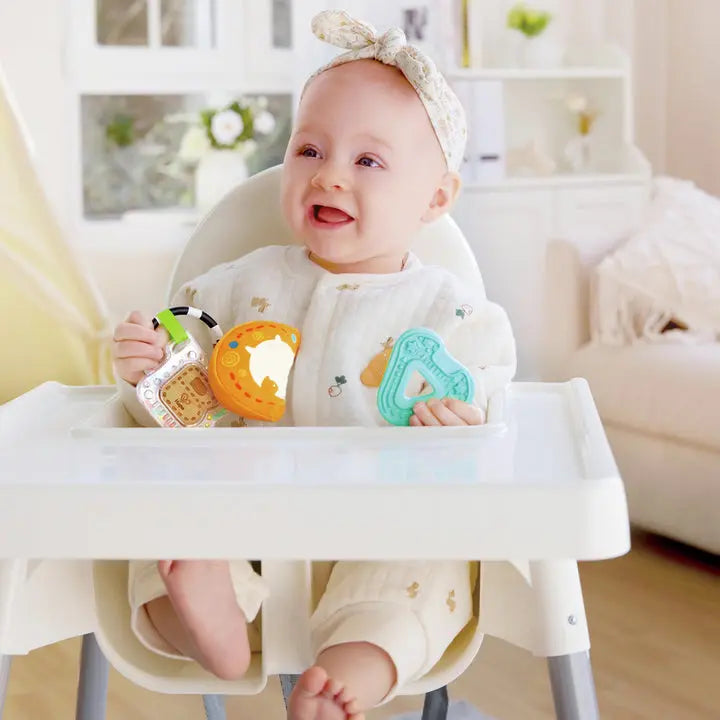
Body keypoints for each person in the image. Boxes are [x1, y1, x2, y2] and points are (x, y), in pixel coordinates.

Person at [112, 10, 516, 720]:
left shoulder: (452, 316)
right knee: (165, 526)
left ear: (436, 196)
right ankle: (214, 625)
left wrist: (465, 431)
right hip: (241, 531)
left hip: (380, 538)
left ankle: (349, 677)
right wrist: (149, 369)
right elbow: (184, 409)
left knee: (431, 565)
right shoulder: (233, 286)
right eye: (309, 150)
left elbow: (493, 421)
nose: (329, 176)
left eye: (368, 162)